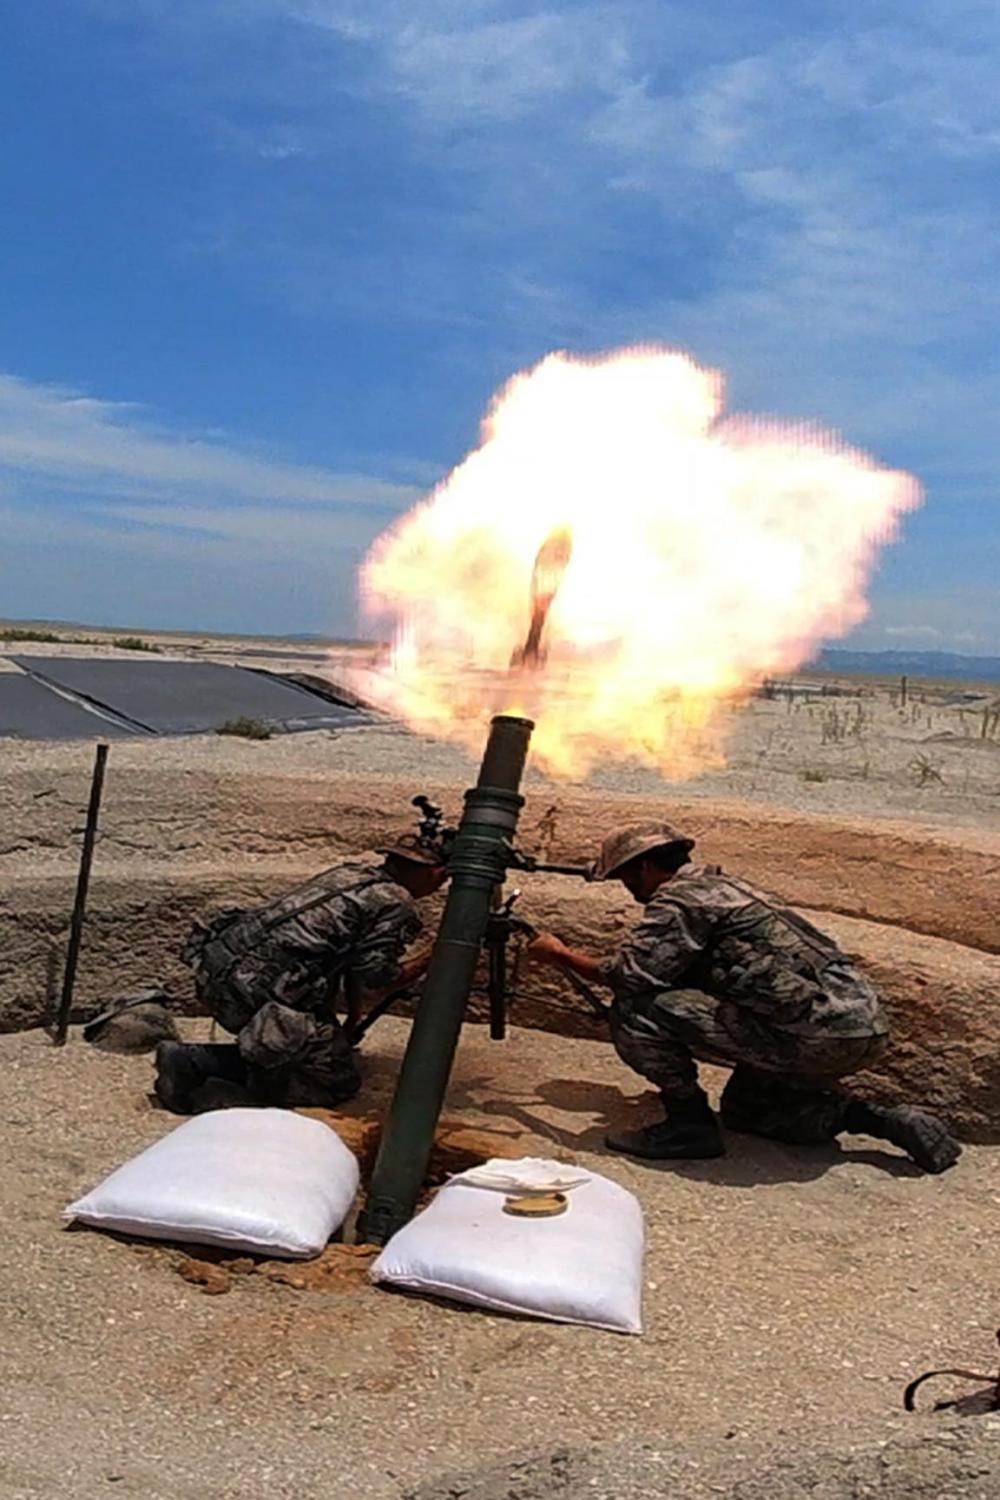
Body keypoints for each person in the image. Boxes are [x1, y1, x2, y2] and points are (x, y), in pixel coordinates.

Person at [527, 823, 961, 1174]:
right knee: (746, 1111)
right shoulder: (729, 888)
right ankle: (880, 1120)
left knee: (637, 1009)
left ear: (644, 868)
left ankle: (688, 1126)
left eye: (625, 879)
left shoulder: (679, 899)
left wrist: (560, 955)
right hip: (860, 1028)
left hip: (809, 1036)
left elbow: (631, 976)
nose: (630, 890)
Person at [153, 835, 448, 1114]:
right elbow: (379, 978)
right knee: (337, 1083)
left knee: (320, 1047)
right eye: (443, 876)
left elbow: (347, 965)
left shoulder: (349, 874)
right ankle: (199, 1066)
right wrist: (438, 953)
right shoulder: (396, 903)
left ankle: (251, 1057)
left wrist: (350, 1024)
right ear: (432, 872)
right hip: (254, 997)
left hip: (217, 973)